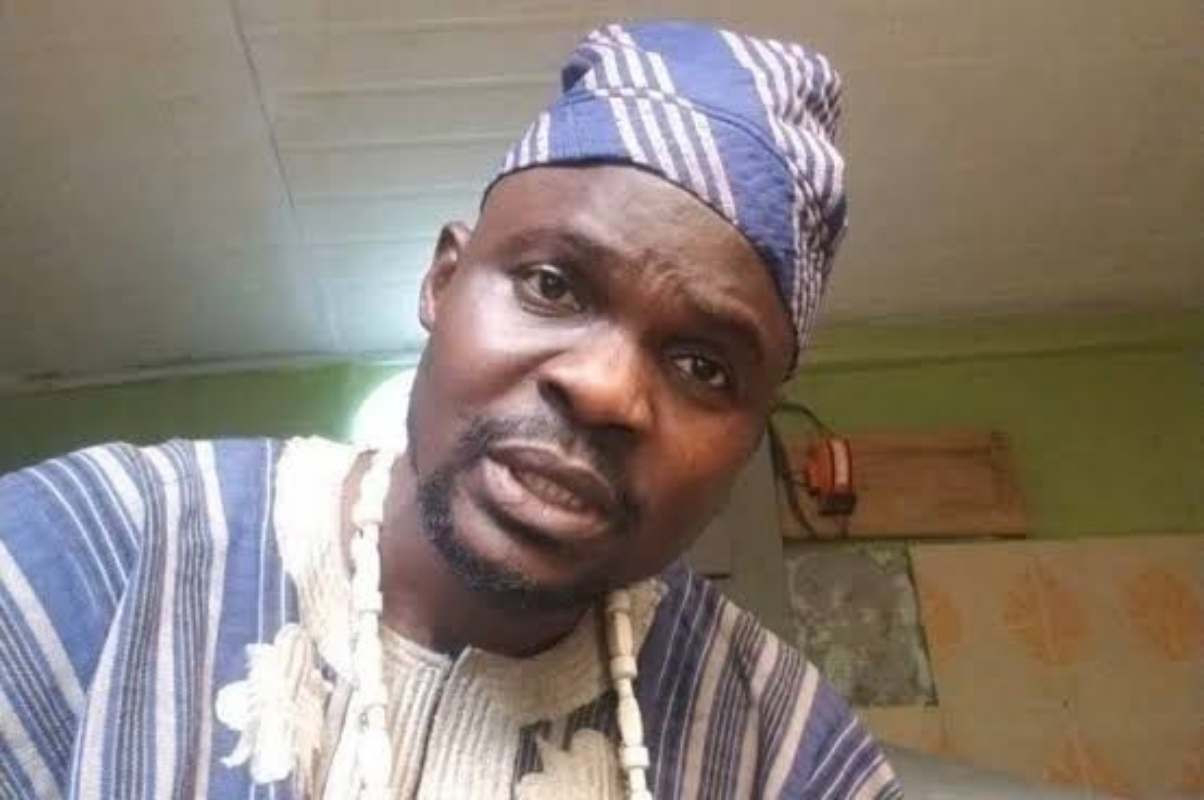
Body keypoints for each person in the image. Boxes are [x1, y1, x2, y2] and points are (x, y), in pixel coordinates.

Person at [0, 20, 900, 800]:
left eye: (703, 366)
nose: (603, 390)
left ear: (747, 444)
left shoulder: (786, 753)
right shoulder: (99, 556)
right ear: (442, 281)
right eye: (552, 285)